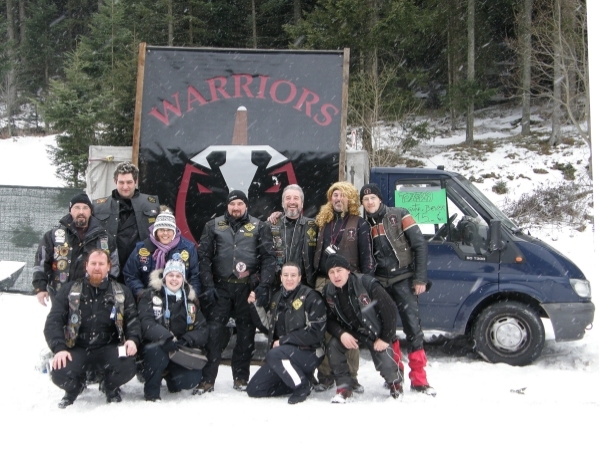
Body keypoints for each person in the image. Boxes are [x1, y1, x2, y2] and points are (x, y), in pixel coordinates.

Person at [195, 190, 277, 394]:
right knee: (214, 333)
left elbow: (268, 258)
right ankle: (207, 379)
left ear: (246, 205)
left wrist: (263, 286)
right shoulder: (213, 225)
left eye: (240, 204)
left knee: (246, 334)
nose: (236, 208)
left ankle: (241, 377)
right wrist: (208, 285)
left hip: (246, 287)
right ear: (227, 206)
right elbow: (203, 257)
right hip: (220, 287)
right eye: (233, 204)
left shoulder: (260, 226)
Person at [361, 183, 436, 396]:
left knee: (413, 329)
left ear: (380, 199)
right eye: (365, 200)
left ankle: (420, 379)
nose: (369, 202)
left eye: (373, 198)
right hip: (380, 283)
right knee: (387, 330)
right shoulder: (364, 224)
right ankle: (396, 375)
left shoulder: (399, 214)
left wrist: (420, 278)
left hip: (403, 279)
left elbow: (420, 245)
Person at [43, 249, 141, 408]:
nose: (97, 267)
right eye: (93, 263)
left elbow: (133, 320)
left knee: (128, 365)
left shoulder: (122, 291)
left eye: (101, 264)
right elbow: (53, 322)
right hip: (77, 347)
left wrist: (132, 339)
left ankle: (109, 386)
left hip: (109, 347)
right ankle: (75, 387)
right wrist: (59, 348)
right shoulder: (69, 290)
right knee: (59, 371)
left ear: (109, 266)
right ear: (86, 266)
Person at [312, 181, 375, 392]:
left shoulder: (360, 224)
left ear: (350, 198)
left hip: (349, 281)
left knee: (350, 328)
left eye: (342, 195)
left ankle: (351, 376)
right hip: (323, 281)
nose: (338, 199)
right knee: (324, 328)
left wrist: (364, 283)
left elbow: (367, 258)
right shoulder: (323, 222)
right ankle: (326, 375)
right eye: (334, 196)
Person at [323, 254, 403, 403]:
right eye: (331, 272)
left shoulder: (366, 283)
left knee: (386, 366)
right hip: (353, 333)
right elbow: (329, 320)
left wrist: (385, 338)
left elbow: (390, 309)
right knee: (334, 346)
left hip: (375, 332)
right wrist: (341, 334)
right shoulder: (328, 291)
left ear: (348, 270)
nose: (336, 275)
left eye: (339, 270)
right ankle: (345, 387)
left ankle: (395, 383)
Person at [246, 262, 326, 404]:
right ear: (281, 278)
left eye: (293, 275)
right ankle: (300, 379)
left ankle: (302, 386)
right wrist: (254, 305)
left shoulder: (311, 297)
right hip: (283, 357)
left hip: (310, 353)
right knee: (255, 389)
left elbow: (315, 333)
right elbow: (268, 327)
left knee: (274, 354)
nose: (289, 279)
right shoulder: (277, 298)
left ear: (300, 278)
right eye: (286, 275)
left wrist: (284, 341)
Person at [138, 256, 208, 401]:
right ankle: (151, 391)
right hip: (155, 348)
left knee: (192, 379)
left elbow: (202, 329)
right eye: (170, 275)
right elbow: (146, 322)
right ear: (164, 278)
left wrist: (186, 340)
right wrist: (165, 337)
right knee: (156, 352)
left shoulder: (190, 302)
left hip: (179, 350)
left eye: (178, 276)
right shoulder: (149, 296)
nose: (174, 279)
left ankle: (172, 379)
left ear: (183, 279)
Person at [33, 193, 119, 306]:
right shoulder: (53, 236)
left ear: (91, 211)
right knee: (58, 323)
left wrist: (109, 289)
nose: (81, 212)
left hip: (94, 298)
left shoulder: (105, 238)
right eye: (77, 208)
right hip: (61, 295)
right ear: (70, 210)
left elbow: (114, 267)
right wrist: (40, 287)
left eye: (85, 208)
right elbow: (41, 262)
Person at [92, 162, 159, 283]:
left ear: (136, 181)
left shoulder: (152, 204)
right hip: (110, 266)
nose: (125, 187)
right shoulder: (99, 207)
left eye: (129, 182)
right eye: (121, 182)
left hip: (141, 267)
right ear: (115, 181)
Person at [123, 206, 201, 300]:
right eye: (161, 230)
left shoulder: (188, 248)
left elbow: (195, 277)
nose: (165, 233)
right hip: (149, 300)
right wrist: (141, 292)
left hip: (179, 300)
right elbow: (130, 274)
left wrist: (191, 296)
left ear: (174, 231)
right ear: (156, 231)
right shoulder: (142, 248)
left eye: (169, 230)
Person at [268, 184, 319, 288]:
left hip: (305, 286)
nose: (292, 202)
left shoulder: (314, 226)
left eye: (296, 198)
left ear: (302, 203)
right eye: (288, 198)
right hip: (276, 286)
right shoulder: (270, 225)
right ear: (282, 203)